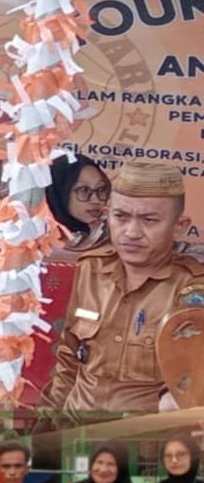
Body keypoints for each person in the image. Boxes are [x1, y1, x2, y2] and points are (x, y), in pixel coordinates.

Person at [40, 161, 204, 422]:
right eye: (121, 217)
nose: (132, 232)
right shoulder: (90, 270)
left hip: (140, 439)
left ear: (179, 226)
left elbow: (190, 386)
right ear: (107, 215)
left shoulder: (192, 290)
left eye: (149, 220)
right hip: (74, 425)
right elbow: (69, 358)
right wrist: (45, 427)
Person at [45, 153, 111, 238]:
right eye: (84, 190)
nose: (96, 200)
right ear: (59, 193)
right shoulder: (35, 244)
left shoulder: (113, 242)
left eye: (101, 189)